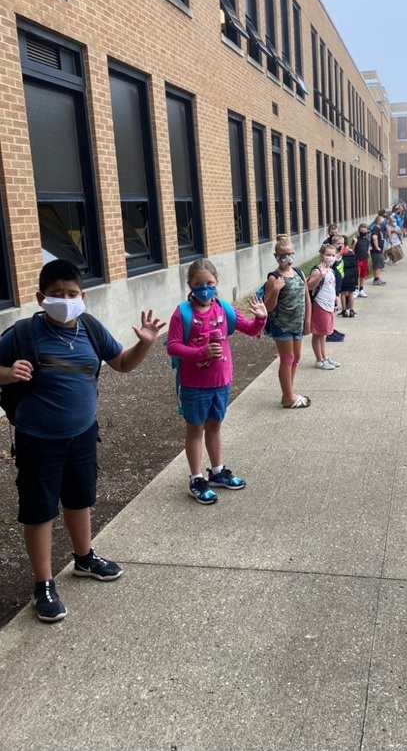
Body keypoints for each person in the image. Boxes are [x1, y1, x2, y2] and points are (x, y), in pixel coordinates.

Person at [0, 259, 164, 622]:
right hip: (38, 440)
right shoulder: (23, 334)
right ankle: (43, 583)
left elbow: (121, 363)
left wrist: (146, 345)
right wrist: (8, 373)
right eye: (56, 294)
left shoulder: (89, 327)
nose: (65, 299)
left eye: (71, 293)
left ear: (83, 295)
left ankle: (84, 558)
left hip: (82, 435)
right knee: (39, 510)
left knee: (79, 499)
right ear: (41, 297)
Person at [166, 259, 269, 504]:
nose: (204, 288)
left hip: (221, 380)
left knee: (215, 426)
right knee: (195, 430)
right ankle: (196, 478)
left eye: (209, 283)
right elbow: (173, 347)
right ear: (189, 284)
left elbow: (250, 329)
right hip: (194, 385)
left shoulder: (223, 308)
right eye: (198, 284)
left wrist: (262, 319)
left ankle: (217, 471)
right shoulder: (182, 313)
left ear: (217, 282)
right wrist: (201, 353)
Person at [262, 235, 311, 408]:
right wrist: (275, 290)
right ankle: (289, 397)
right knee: (287, 358)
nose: (286, 258)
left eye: (289, 253)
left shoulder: (298, 272)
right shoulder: (273, 278)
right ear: (276, 256)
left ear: (294, 253)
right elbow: (267, 307)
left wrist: (307, 321)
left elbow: (306, 298)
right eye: (282, 255)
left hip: (297, 324)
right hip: (282, 325)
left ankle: (288, 393)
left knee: (296, 357)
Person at [307, 243, 341, 371]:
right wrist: (320, 276)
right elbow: (309, 286)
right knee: (318, 334)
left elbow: (330, 287)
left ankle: (325, 357)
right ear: (322, 256)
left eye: (333, 255)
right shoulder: (317, 271)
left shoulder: (331, 270)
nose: (331, 257)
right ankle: (319, 360)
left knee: (324, 334)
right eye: (328, 255)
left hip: (329, 305)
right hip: (319, 305)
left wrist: (335, 297)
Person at [338, 235, 359, 318]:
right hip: (351, 276)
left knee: (342, 293)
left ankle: (344, 310)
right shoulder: (351, 253)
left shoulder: (340, 254)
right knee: (350, 293)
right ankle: (352, 310)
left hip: (343, 275)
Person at [353, 223, 371, 298]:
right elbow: (352, 249)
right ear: (359, 231)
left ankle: (361, 289)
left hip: (365, 259)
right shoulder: (356, 239)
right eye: (361, 230)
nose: (363, 232)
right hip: (357, 259)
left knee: (363, 275)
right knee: (357, 274)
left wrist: (368, 252)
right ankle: (356, 289)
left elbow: (367, 249)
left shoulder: (367, 240)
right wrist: (355, 242)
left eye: (364, 230)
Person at [369, 212, 387, 286]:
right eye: (383, 221)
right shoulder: (376, 229)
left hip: (379, 250)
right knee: (377, 265)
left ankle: (378, 278)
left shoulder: (380, 229)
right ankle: (376, 279)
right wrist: (377, 247)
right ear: (379, 221)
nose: (384, 222)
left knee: (380, 265)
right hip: (376, 251)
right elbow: (374, 237)